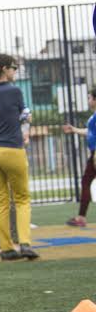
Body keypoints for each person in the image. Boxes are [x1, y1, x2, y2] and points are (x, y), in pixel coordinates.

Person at [0, 54, 38, 261]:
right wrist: (26, 117)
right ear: (5, 69)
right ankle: (24, 243)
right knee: (22, 198)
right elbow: (23, 116)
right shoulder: (15, 91)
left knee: (1, 200)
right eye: (13, 67)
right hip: (12, 149)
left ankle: (6, 248)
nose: (14, 71)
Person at [62, 87, 96, 227]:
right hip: (93, 154)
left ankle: (81, 217)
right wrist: (74, 129)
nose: (88, 100)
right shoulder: (93, 117)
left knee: (85, 182)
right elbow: (90, 132)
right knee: (85, 181)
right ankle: (81, 217)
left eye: (89, 98)